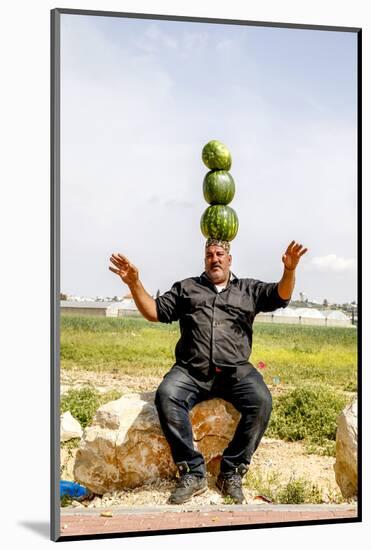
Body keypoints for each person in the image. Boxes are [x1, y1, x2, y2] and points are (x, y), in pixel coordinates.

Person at [109, 239, 308, 504]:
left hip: (236, 371)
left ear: (229, 259)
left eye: (220, 254)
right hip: (191, 371)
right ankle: (192, 471)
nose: (214, 258)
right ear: (204, 260)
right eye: (209, 255)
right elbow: (154, 311)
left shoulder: (248, 289)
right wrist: (134, 283)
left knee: (261, 401)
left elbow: (281, 295)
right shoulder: (187, 288)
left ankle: (231, 471)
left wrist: (290, 270)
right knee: (167, 394)